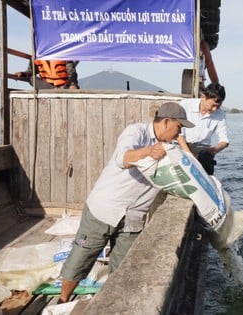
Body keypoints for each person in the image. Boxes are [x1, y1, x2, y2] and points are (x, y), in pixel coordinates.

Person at [58, 102, 195, 303]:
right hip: (104, 209)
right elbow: (123, 159)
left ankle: (112, 304)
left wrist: (180, 142)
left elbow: (191, 166)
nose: (179, 133)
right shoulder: (136, 132)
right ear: (166, 122)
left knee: (124, 269)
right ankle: (63, 300)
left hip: (134, 218)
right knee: (80, 259)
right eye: (179, 128)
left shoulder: (171, 147)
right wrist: (149, 151)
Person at [177, 82, 228, 175]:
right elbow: (178, 134)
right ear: (203, 97)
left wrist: (214, 150)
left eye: (218, 106)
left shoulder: (220, 114)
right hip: (181, 144)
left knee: (206, 162)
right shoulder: (185, 105)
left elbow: (224, 141)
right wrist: (191, 157)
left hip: (203, 149)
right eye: (213, 105)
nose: (215, 109)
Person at [14, 60, 79, 89]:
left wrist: (73, 84)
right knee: (32, 79)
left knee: (72, 84)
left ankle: (57, 90)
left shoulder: (62, 53)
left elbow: (72, 72)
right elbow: (31, 71)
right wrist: (23, 73)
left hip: (64, 87)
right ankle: (54, 90)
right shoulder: (36, 55)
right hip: (46, 87)